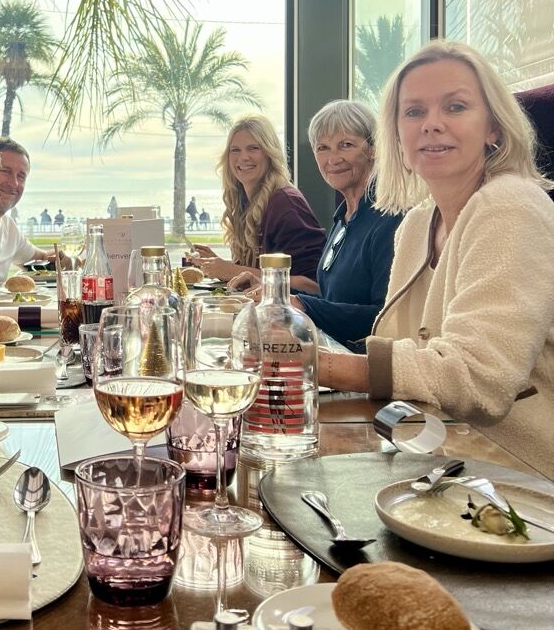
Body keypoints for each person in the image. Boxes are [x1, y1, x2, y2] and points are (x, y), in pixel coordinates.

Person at [320, 41, 554, 478]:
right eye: (414, 112)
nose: (431, 124)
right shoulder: (415, 224)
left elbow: (479, 378)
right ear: (397, 136)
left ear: (493, 128)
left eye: (455, 106)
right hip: (439, 460)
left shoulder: (512, 205)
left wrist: (322, 365)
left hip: (522, 480)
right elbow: (402, 347)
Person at [291, 101, 402, 350]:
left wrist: (304, 306)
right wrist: (275, 294)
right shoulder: (344, 218)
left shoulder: (390, 219)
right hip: (331, 352)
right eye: (323, 148)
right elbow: (334, 298)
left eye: (346, 145)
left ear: (373, 149)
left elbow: (384, 319)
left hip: (361, 366)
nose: (333, 159)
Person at [190, 115, 325, 286]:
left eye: (253, 148)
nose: (243, 157)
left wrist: (232, 270)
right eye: (235, 150)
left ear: (270, 153)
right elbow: (253, 278)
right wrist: (220, 267)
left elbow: (313, 286)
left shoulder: (286, 203)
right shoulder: (243, 202)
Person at [0, 138, 68, 309]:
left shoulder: (8, 227)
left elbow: (40, 257)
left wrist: (67, 257)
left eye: (21, 176)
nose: (14, 183)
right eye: (5, 171)